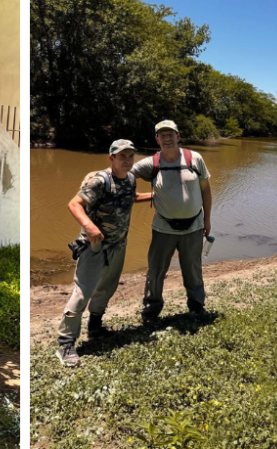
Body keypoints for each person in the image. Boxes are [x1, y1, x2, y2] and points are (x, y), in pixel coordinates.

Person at [56, 140, 154, 367]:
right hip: (94, 248)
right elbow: (74, 204)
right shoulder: (99, 180)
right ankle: (66, 343)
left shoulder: (130, 178)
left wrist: (154, 195)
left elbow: (131, 197)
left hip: (118, 246)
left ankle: (95, 328)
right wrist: (89, 227)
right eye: (123, 157)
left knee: (106, 289)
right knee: (82, 294)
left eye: (131, 156)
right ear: (112, 158)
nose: (128, 161)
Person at [131, 120, 212, 322]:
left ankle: (196, 308)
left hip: (194, 226)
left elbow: (206, 190)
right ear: (157, 139)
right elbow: (124, 173)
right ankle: (151, 312)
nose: (167, 138)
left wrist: (208, 219)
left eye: (170, 134)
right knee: (156, 272)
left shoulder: (194, 159)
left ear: (178, 136)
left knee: (193, 270)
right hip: (163, 228)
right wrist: (101, 180)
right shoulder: (152, 163)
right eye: (162, 135)